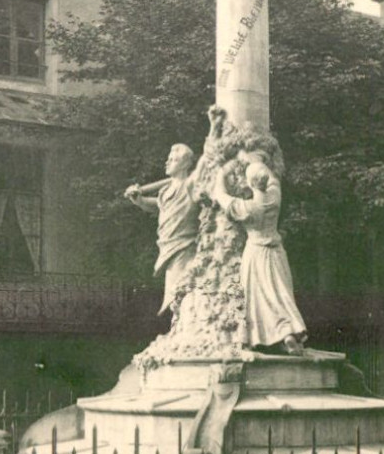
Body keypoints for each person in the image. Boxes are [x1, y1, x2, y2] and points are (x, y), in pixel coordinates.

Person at [211, 160, 307, 355]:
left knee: (258, 299)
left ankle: (259, 338)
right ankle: (288, 332)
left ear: (250, 183)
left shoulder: (247, 208)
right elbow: (272, 179)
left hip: (255, 254)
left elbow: (220, 195)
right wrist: (255, 161)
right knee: (280, 295)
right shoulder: (274, 198)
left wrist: (222, 173)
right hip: (276, 252)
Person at [124, 144, 200, 315]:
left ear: (186, 164)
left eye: (173, 159)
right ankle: (181, 324)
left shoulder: (190, 185)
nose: (167, 162)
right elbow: (159, 206)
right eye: (168, 158)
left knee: (182, 288)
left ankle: (186, 325)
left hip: (184, 244)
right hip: (167, 244)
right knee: (176, 289)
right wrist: (140, 201)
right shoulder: (166, 190)